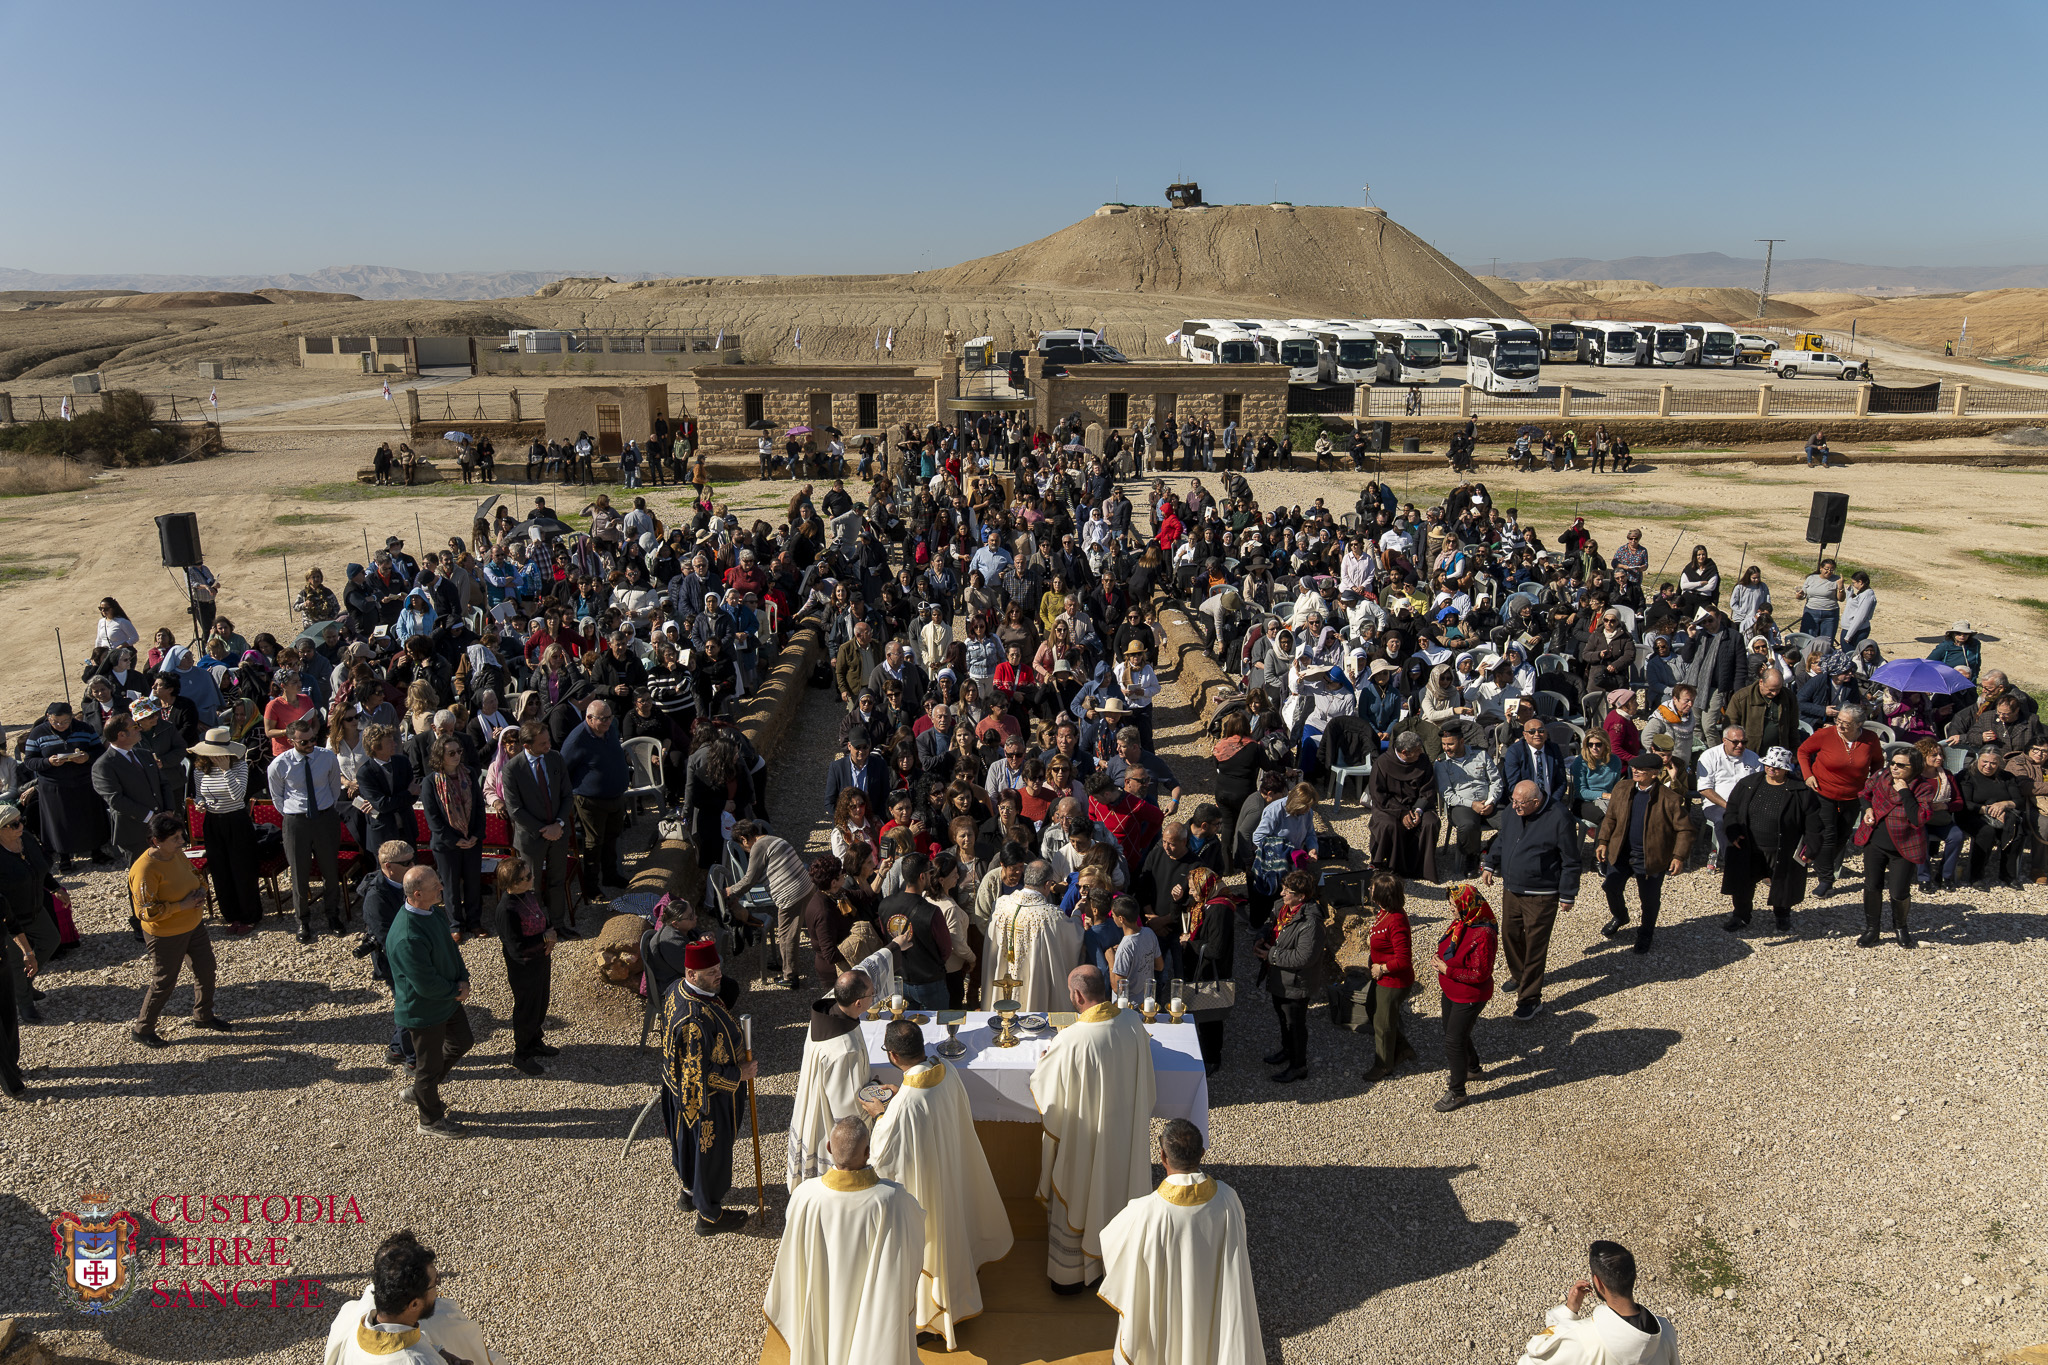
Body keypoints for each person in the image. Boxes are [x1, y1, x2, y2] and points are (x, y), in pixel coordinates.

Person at [867, 1018, 1013, 1350]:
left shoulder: (905, 1105)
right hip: (952, 1168)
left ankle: (932, 1316)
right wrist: (898, 1093)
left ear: (892, 1056)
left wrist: (879, 1114)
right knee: (955, 1230)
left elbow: (883, 1154)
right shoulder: (945, 1068)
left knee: (934, 1240)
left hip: (927, 1185)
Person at [1029, 964, 1157, 1293]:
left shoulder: (1071, 1039)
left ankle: (1071, 1277)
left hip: (1087, 1143)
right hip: (1124, 1139)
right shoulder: (1133, 1022)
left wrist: (1045, 1060)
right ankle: (1117, 1268)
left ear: (1077, 995)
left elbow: (1046, 1087)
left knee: (1081, 1187)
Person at [1098, 1118, 1264, 1365]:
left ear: (1162, 1157)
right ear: (1203, 1153)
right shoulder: (1228, 1200)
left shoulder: (1144, 1212)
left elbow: (1111, 1247)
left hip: (1165, 1322)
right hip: (1215, 1316)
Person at [763, 1116, 926, 1365]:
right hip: (870, 1314)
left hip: (820, 1304)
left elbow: (793, 1256)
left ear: (829, 1147)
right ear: (868, 1152)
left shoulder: (804, 1196)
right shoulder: (893, 1200)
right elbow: (916, 1229)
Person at [659, 937, 756, 1235]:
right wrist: (738, 1074)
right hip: (705, 1102)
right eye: (711, 972)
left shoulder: (676, 988)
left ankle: (689, 1192)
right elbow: (698, 1073)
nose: (719, 976)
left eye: (718, 968)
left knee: (686, 1148)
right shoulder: (694, 1019)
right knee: (710, 1156)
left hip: (678, 1092)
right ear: (691, 974)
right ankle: (710, 1215)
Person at [321, 1229, 503, 1365]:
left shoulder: (355, 1324)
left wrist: (437, 1352)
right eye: (435, 1283)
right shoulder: (417, 1361)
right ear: (414, 1304)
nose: (437, 1291)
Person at [127, 811, 231, 1048]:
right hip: (166, 935)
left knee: (206, 969)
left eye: (181, 836)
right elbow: (145, 912)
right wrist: (181, 906)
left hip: (194, 926)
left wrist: (201, 890)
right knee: (163, 982)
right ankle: (143, 1029)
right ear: (156, 841)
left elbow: (195, 875)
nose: (182, 841)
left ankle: (203, 1015)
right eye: (174, 838)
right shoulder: (145, 870)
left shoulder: (176, 854)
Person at [1481, 779, 1580, 1021]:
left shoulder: (1560, 817)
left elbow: (1570, 859)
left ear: (1536, 802)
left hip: (1541, 894)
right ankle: (1519, 975)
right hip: (1512, 889)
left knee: (1535, 946)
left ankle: (1530, 999)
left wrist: (1568, 893)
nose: (1514, 806)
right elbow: (1503, 839)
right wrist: (1490, 863)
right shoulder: (1513, 811)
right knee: (1510, 935)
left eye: (1520, 803)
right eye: (1513, 800)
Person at [389, 865, 472, 1138]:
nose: (441, 888)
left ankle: (421, 1091)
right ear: (417, 894)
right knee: (427, 1068)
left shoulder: (432, 911)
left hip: (446, 999)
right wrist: (455, 990)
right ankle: (430, 1120)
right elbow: (425, 983)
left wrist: (462, 978)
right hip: (423, 1010)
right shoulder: (408, 936)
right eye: (435, 886)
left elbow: (451, 949)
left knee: (462, 1041)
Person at [1514, 1240, 1678, 1365]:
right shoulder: (1666, 1332)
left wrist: (1568, 1313)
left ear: (1598, 1283)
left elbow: (1531, 1359)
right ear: (1634, 1277)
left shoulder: (1582, 1339)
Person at [1593, 754, 1693, 954]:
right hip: (1621, 852)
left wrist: (1678, 856)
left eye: (1641, 769)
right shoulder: (1622, 788)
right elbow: (1610, 817)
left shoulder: (1670, 799)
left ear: (1654, 774)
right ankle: (1621, 916)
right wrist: (1603, 841)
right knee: (1610, 886)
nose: (1635, 771)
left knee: (1649, 899)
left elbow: (1686, 830)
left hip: (1650, 857)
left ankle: (1646, 933)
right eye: (1634, 767)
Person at [1719, 747, 1825, 934]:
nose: (1771, 769)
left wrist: (1811, 848)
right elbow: (1732, 810)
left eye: (1777, 767)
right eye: (1768, 765)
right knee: (1742, 884)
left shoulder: (1801, 791)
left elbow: (1813, 822)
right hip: (1748, 845)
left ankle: (1782, 915)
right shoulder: (1747, 784)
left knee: (1783, 884)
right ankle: (1740, 915)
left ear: (1786, 769)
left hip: (1783, 848)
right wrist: (1733, 832)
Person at [787, 969, 875, 1191]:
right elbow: (848, 1110)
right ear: (858, 1003)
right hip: (828, 1126)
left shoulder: (825, 1016)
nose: (874, 998)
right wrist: (876, 1095)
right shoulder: (845, 1050)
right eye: (871, 995)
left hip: (811, 1106)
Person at [1796, 704, 1883, 896]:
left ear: (1859, 724)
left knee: (1842, 836)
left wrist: (1873, 781)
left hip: (1853, 795)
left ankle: (1816, 856)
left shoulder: (1870, 739)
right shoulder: (1826, 734)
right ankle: (1826, 879)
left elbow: (1878, 761)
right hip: (1823, 791)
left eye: (1846, 723)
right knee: (1828, 835)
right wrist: (1807, 775)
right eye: (1838, 720)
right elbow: (1803, 751)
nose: (1840, 725)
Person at [1854, 748, 1933, 949]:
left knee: (1899, 891)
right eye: (1892, 763)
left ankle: (1901, 927)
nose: (1894, 768)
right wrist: (1868, 809)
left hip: (1905, 845)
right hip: (1875, 841)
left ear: (1914, 767)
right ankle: (1872, 929)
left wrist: (1905, 792)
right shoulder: (1881, 775)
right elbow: (1864, 793)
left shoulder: (1923, 787)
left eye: (1901, 765)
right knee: (1872, 886)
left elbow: (1919, 818)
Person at [726, 820, 818, 990]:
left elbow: (750, 879)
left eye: (742, 845)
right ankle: (785, 964)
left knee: (786, 935)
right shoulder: (774, 839)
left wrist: (731, 891)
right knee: (790, 932)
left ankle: (790, 976)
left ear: (744, 839)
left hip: (791, 894)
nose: (745, 849)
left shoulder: (758, 847)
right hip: (806, 886)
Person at [979, 860, 1080, 1012]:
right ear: (1047, 884)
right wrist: (1077, 913)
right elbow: (1074, 936)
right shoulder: (1050, 916)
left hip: (1004, 975)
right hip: (1035, 984)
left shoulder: (1000, 905)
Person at [190, 727, 263, 934]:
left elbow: (238, 796)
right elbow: (199, 794)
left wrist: (226, 771)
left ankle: (250, 915)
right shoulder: (199, 769)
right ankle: (231, 915)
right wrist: (199, 803)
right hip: (213, 822)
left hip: (236, 821)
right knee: (220, 870)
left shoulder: (239, 766)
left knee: (242, 869)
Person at [503, 721, 573, 937]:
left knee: (557, 880)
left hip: (558, 832)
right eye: (542, 743)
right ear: (527, 745)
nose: (548, 745)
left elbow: (567, 795)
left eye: (548, 741)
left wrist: (558, 824)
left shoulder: (555, 758)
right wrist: (544, 829)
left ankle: (558, 924)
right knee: (531, 884)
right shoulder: (512, 769)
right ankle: (538, 927)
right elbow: (515, 809)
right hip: (531, 837)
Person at [1433, 883, 1498, 1113]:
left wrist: (1447, 970)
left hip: (1469, 995)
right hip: (1452, 991)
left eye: (1454, 904)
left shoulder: (1484, 934)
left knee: (1454, 1041)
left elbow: (1480, 973)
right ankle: (1472, 1069)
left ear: (1466, 905)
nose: (1451, 908)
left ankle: (1457, 1092)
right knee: (1455, 1033)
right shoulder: (1462, 922)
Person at [23, 702, 109, 872]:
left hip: (84, 782)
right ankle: (64, 857)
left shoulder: (85, 728)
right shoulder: (38, 733)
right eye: (56, 722)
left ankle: (97, 851)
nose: (61, 725)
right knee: (59, 822)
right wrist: (48, 761)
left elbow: (100, 751)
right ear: (48, 717)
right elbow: (29, 761)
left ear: (71, 718)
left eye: (65, 722)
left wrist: (87, 757)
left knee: (90, 817)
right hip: (54, 785)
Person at [493, 854, 556, 1070]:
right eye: (527, 877)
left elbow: (540, 917)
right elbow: (516, 947)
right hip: (524, 968)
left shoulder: (527, 895)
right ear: (513, 883)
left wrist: (550, 933)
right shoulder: (507, 910)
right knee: (527, 1009)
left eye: (530, 874)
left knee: (541, 1004)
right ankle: (521, 1054)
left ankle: (535, 1042)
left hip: (540, 960)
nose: (532, 878)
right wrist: (545, 938)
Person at [561, 699, 630, 897]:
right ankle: (590, 886)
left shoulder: (609, 729)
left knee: (612, 836)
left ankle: (610, 875)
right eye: (603, 719)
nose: (608, 721)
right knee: (594, 842)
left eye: (610, 717)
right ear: (589, 718)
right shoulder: (577, 740)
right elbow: (563, 770)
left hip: (615, 796)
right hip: (590, 800)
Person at [422, 736, 486, 939]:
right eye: (451, 753)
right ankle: (455, 924)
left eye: (459, 751)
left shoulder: (469, 774)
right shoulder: (430, 782)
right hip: (447, 843)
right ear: (440, 756)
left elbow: (479, 807)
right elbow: (433, 818)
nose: (457, 756)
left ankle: (474, 922)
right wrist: (454, 840)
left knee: (473, 883)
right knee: (450, 886)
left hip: (472, 840)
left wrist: (476, 835)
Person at [1360, 872, 1417, 1084]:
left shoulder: (1396, 921)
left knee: (1382, 1024)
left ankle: (1384, 1065)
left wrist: (1382, 968)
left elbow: (1403, 959)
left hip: (1393, 982)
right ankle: (1402, 1048)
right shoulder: (1384, 912)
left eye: (1373, 889)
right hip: (1381, 978)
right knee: (1373, 1010)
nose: (1369, 890)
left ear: (1382, 896)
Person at [1956, 744, 2033, 889]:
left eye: (1993, 763)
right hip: (1972, 814)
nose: (1988, 766)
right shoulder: (1966, 776)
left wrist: (2004, 804)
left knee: (2015, 828)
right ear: (1978, 759)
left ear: (1999, 763)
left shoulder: (2006, 777)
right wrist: (1989, 810)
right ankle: (1976, 875)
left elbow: (2019, 801)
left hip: (2003, 814)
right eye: (1985, 761)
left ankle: (2008, 874)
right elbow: (1966, 804)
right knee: (1986, 832)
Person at [1436, 727, 1502, 878]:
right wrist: (1472, 804)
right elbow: (1447, 794)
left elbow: (1496, 781)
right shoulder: (1441, 762)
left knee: (1511, 822)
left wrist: (1491, 801)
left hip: (1488, 802)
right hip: (1462, 805)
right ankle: (1471, 856)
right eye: (1444, 744)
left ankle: (1492, 851)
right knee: (1467, 825)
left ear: (1461, 741)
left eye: (1450, 744)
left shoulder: (1481, 755)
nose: (1446, 748)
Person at [1695, 725, 1761, 872]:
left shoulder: (1753, 758)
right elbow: (1705, 789)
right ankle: (1732, 861)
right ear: (1724, 740)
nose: (1740, 745)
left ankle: (1761, 860)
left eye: (1744, 742)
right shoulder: (1709, 756)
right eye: (1735, 742)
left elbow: (1759, 785)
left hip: (1747, 804)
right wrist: (1729, 806)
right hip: (1717, 804)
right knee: (1725, 820)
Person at [1109, 896, 1163, 1007]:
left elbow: (1117, 988)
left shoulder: (1124, 948)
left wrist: (1111, 960)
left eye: (1113, 915)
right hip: (1147, 1001)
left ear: (1121, 919)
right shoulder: (1149, 933)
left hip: (1129, 1006)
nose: (1112, 917)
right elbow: (1160, 966)